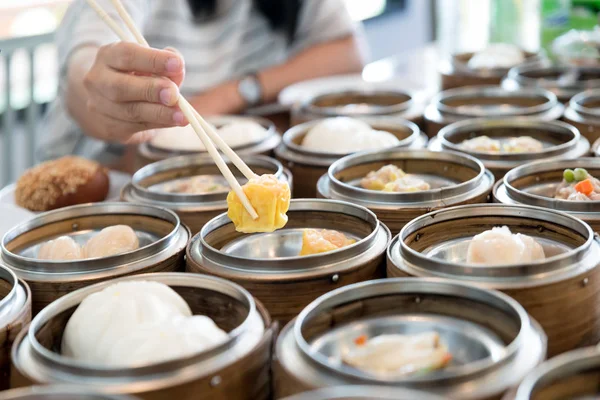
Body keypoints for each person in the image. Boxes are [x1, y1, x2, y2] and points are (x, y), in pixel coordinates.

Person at [41, 0, 367, 165]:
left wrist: (234, 93)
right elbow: (84, 69)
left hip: (224, 165)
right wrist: (101, 96)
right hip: (112, 171)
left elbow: (348, 51)